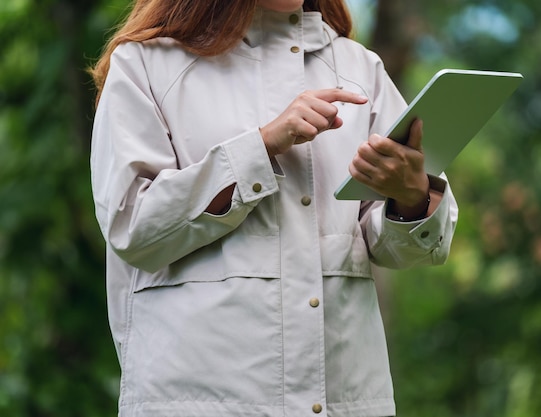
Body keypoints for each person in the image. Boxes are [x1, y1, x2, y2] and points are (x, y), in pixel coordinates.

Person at [89, 0, 458, 416]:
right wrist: (261, 146)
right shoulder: (146, 64)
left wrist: (412, 196)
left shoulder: (359, 69)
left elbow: (408, 249)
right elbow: (133, 227)